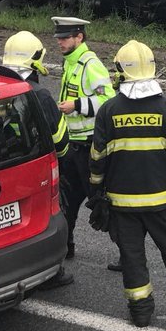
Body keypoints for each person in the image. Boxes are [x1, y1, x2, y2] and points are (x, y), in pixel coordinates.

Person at [89, 40, 166, 328]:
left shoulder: (108, 111)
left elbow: (97, 159)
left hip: (121, 205)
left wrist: (96, 191)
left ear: (120, 71)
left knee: (132, 259)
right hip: (163, 202)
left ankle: (141, 313)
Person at [1, 30, 74, 289]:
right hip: (37, 169)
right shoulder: (39, 96)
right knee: (48, 218)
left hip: (4, 168)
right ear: (34, 60)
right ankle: (51, 272)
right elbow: (61, 141)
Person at [52, 16, 115, 262]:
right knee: (67, 199)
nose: (60, 42)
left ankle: (127, 252)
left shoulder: (90, 64)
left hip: (89, 145)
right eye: (59, 37)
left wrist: (76, 105)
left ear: (79, 37)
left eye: (65, 37)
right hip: (72, 145)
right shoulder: (71, 62)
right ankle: (64, 248)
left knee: (99, 200)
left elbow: (108, 100)